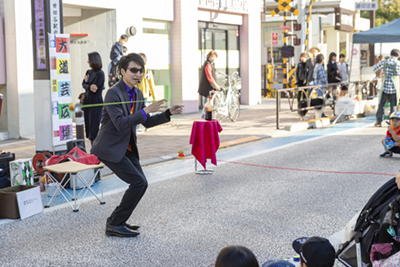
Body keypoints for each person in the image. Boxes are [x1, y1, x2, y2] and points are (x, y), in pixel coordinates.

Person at [91, 53, 184, 237]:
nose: (138, 74)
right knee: (138, 182)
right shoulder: (113, 93)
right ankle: (115, 224)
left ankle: (117, 221)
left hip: (127, 147)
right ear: (123, 71)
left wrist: (168, 113)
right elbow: (120, 123)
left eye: (141, 71)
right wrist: (145, 110)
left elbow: (146, 122)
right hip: (110, 148)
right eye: (133, 70)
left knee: (141, 184)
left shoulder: (138, 93)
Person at [81, 52, 105, 145]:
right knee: (88, 125)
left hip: (96, 102)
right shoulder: (88, 72)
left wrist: (88, 85)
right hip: (87, 101)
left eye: (89, 59)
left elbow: (94, 88)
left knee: (94, 125)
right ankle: (92, 147)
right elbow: (83, 84)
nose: (87, 61)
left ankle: (95, 148)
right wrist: (88, 86)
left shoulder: (100, 73)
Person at [373, 49, 400, 127]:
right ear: (398, 56)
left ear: (390, 54)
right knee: (393, 106)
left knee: (381, 104)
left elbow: (374, 68)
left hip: (385, 87)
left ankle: (378, 122)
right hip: (394, 88)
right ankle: (393, 123)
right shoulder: (398, 63)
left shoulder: (384, 62)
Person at [136, 52, 156, 133]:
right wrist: (154, 96)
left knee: (138, 111)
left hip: (137, 94)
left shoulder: (136, 70)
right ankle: (147, 125)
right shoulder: (148, 71)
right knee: (145, 110)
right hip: (144, 94)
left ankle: (137, 127)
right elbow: (152, 84)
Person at [198, 50, 221, 119]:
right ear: (208, 57)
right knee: (206, 104)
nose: (213, 58)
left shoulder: (209, 64)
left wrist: (215, 75)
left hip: (208, 88)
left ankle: (205, 118)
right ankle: (203, 118)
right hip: (207, 88)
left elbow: (210, 75)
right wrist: (216, 85)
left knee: (207, 103)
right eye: (212, 56)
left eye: (214, 57)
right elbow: (209, 77)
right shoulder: (208, 64)